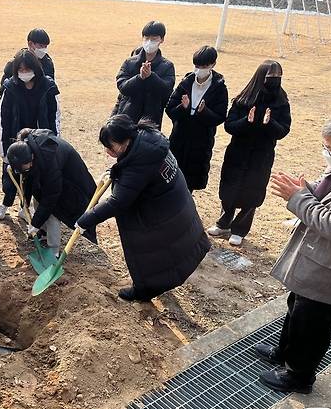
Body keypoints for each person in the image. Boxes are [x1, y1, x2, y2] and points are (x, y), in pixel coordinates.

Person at [76, 114, 210, 302]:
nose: (108, 152)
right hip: (174, 205)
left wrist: (85, 220)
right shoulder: (147, 139)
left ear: (125, 141)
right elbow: (133, 173)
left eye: (111, 147)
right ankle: (156, 282)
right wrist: (116, 171)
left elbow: (117, 202)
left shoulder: (139, 162)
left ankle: (144, 290)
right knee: (170, 250)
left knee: (151, 252)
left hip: (162, 214)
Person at [256, 117, 331, 394]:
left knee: (312, 326)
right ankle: (284, 353)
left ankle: (299, 376)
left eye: (329, 148)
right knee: (297, 310)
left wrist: (298, 198)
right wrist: (306, 190)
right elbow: (325, 200)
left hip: (329, 276)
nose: (325, 152)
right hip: (317, 265)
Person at [207, 60, 291, 246]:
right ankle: (224, 222)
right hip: (238, 154)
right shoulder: (243, 99)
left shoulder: (281, 103)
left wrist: (270, 123)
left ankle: (240, 229)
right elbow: (229, 126)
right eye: (270, 77)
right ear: (261, 77)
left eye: (278, 78)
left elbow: (283, 130)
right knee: (229, 189)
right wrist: (247, 121)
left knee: (252, 192)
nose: (274, 81)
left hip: (261, 157)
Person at [6, 128, 97, 256]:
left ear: (31, 158)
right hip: (55, 180)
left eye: (25, 167)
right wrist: (25, 202)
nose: (24, 170)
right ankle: (43, 232)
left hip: (72, 184)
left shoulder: (49, 159)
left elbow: (50, 198)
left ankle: (53, 250)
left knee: (54, 213)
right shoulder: (26, 149)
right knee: (38, 199)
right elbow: (27, 181)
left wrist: (35, 223)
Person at [0, 48, 61, 221]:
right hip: (14, 138)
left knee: (33, 174)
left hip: (38, 140)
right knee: (11, 174)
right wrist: (4, 148)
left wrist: (54, 142)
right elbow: (3, 118)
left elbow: (55, 116)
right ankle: (5, 202)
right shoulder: (10, 87)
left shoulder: (48, 87)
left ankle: (24, 206)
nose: (24, 73)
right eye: (21, 70)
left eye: (28, 69)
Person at [166, 45, 229, 192]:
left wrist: (204, 112)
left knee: (191, 179)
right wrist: (183, 108)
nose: (199, 69)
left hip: (201, 140)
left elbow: (220, 117)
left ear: (213, 64)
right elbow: (170, 109)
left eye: (204, 66)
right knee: (171, 175)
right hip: (180, 136)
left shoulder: (219, 88)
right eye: (197, 65)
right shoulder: (186, 82)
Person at [111, 21, 175, 129]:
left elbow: (167, 92)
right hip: (127, 118)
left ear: (162, 40)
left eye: (154, 38)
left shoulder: (167, 66)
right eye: (146, 38)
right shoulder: (130, 62)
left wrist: (151, 77)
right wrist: (139, 78)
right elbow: (122, 87)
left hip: (150, 122)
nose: (149, 42)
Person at [0, 28, 55, 93]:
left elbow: (51, 87)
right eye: (41, 46)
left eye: (45, 47)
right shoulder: (14, 64)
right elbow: (4, 89)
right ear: (30, 44)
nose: (44, 50)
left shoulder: (48, 63)